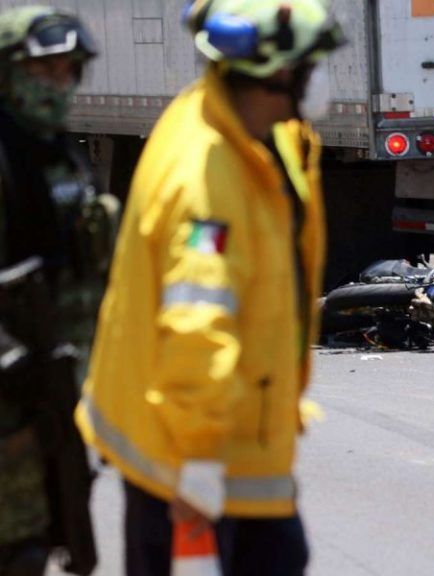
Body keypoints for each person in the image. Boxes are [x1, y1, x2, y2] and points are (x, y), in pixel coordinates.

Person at [75, 1, 344, 574]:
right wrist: (196, 465)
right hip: (193, 457)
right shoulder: (207, 179)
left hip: (231, 441)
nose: (323, 76)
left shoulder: (245, 130)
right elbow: (198, 320)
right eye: (314, 62)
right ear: (276, 73)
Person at [0, 6, 103, 576]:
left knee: (40, 543)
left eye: (68, 72)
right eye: (45, 72)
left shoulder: (61, 158)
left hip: (48, 403)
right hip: (13, 395)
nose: (58, 86)